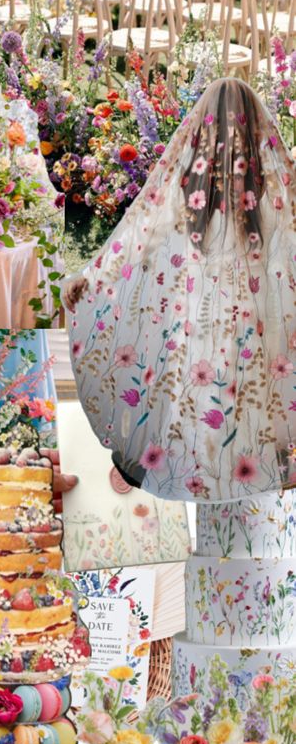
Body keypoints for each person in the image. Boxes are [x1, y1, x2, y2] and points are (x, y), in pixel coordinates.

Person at [64, 77, 296, 502]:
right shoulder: (266, 186)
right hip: (249, 312)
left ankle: (203, 462)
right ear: (253, 128)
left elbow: (142, 236)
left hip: (196, 310)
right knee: (242, 387)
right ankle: (238, 464)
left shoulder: (189, 185)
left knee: (198, 384)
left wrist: (98, 278)